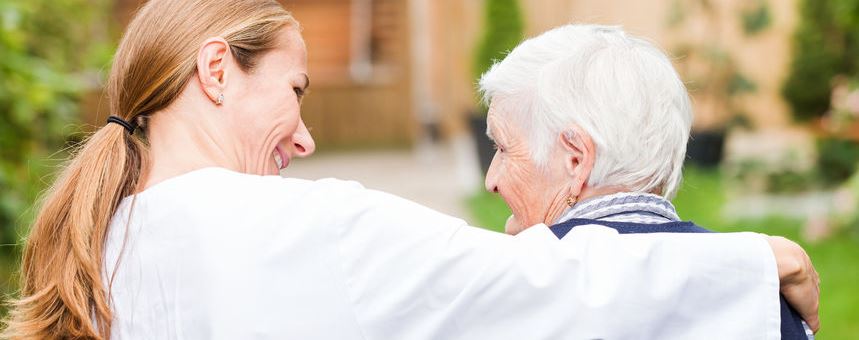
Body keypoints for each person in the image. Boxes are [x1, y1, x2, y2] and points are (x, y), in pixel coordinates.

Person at [2, 1, 818, 339]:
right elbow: (534, 287)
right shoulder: (287, 227)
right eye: (294, 89)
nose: (306, 139)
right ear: (216, 73)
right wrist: (756, 260)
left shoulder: (102, 241)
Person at [479, 24, 818, 339]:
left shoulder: (511, 298)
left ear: (576, 159)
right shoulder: (767, 296)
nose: (491, 180)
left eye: (503, 148)